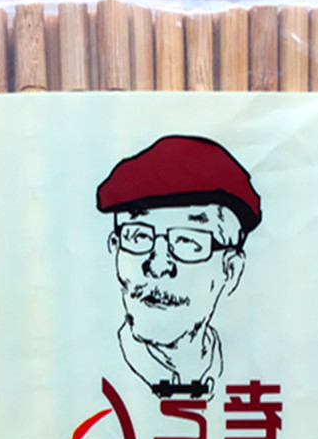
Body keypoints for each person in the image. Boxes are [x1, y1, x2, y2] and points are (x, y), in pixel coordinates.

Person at [96, 134, 262, 399]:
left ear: (230, 271)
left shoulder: (252, 371)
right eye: (139, 237)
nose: (158, 265)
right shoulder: (92, 371)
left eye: (187, 242)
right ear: (115, 248)